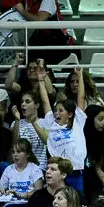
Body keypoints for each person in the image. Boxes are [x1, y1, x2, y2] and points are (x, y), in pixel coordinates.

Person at [37, 63, 87, 194]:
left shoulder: (77, 122)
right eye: (56, 111)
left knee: (77, 202)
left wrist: (80, 75)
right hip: (58, 173)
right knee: (59, 201)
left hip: (75, 172)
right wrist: (41, 81)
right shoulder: (51, 123)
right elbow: (45, 102)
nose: (56, 113)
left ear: (70, 114)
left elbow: (80, 97)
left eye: (61, 110)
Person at [12, 90, 48, 168]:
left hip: (40, 167)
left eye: (27, 102)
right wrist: (17, 120)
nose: (23, 104)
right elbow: (14, 144)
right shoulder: (16, 123)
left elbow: (47, 141)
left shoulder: (45, 122)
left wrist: (33, 123)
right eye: (22, 102)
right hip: (21, 167)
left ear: (37, 105)